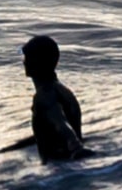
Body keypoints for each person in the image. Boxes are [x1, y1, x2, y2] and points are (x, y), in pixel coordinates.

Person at [18, 33, 88, 161]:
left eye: (25, 56)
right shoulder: (64, 91)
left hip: (59, 169)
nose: (23, 61)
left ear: (35, 60)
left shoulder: (44, 96)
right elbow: (54, 130)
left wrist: (75, 145)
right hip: (71, 168)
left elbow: (61, 124)